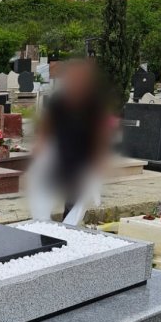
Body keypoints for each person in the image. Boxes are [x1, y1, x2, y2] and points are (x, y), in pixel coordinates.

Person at [27, 59, 112, 225]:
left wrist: (98, 159)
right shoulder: (59, 99)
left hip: (83, 155)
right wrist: (41, 143)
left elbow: (100, 132)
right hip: (60, 152)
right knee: (47, 187)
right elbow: (48, 123)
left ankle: (68, 227)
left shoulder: (94, 102)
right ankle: (42, 224)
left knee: (75, 195)